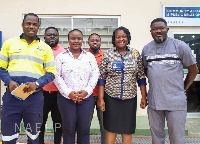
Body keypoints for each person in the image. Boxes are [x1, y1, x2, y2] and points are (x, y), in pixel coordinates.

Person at [0, 13, 56, 144]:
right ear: (22, 25)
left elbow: (51, 73)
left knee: (34, 136)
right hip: (11, 97)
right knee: (8, 136)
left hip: (34, 99)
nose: (31, 26)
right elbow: (1, 68)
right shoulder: (9, 44)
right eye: (28, 23)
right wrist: (9, 81)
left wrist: (37, 84)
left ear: (38, 27)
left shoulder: (45, 48)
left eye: (34, 24)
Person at [142, 18, 198, 144]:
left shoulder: (180, 46)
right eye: (155, 29)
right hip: (155, 102)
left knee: (177, 138)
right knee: (157, 138)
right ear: (150, 31)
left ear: (167, 29)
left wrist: (183, 87)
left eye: (161, 28)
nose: (158, 31)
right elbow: (147, 71)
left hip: (176, 102)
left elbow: (193, 70)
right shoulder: (146, 49)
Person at [97, 26, 147, 144]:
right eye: (118, 37)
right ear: (114, 39)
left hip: (130, 98)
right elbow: (101, 78)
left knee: (127, 129)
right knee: (111, 128)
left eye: (124, 36)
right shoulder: (108, 55)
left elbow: (141, 77)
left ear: (128, 38)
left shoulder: (135, 54)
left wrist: (144, 96)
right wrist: (100, 99)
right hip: (111, 97)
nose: (121, 39)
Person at [54, 29, 99, 144]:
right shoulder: (61, 57)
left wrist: (87, 91)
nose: (76, 41)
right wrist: (68, 92)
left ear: (82, 40)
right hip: (66, 98)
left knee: (84, 130)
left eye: (79, 38)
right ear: (68, 40)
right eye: (73, 38)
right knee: (68, 130)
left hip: (86, 98)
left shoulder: (89, 57)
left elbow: (95, 75)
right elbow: (57, 77)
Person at [39, 27, 65, 144]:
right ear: (44, 37)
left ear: (58, 37)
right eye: (49, 35)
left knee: (58, 123)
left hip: (58, 94)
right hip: (41, 93)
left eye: (55, 35)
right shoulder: (39, 50)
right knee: (40, 122)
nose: (52, 37)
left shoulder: (64, 53)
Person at [86, 33, 106, 144]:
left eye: (97, 40)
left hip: (102, 96)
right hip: (87, 95)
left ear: (100, 42)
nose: (95, 42)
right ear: (88, 42)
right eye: (92, 40)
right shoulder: (84, 55)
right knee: (85, 124)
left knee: (104, 124)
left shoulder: (105, 55)